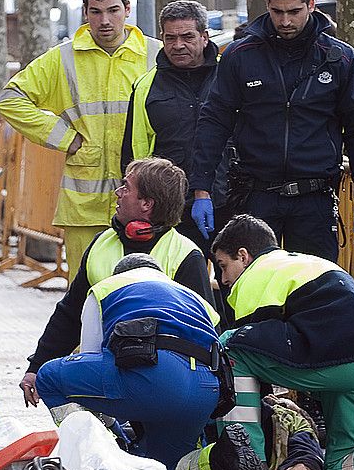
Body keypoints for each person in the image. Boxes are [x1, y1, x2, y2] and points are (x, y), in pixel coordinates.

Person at [183, 214, 354, 470]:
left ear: (244, 256)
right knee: (339, 465)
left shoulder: (257, 275)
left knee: (231, 346)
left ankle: (247, 460)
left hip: (330, 354)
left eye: (223, 266)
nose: (223, 279)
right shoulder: (311, 262)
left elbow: (252, 352)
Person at [189, 0, 354, 263]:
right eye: (277, 12)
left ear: (311, 5)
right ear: (267, 5)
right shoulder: (239, 56)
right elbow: (214, 122)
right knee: (252, 292)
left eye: (294, 11)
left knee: (314, 294)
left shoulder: (339, 59)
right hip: (256, 195)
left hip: (314, 196)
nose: (285, 21)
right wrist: (201, 189)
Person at [34, 254, 257, 470]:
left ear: (120, 273)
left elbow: (91, 359)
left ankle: (102, 456)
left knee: (49, 377)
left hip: (154, 376)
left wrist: (113, 426)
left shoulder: (106, 288)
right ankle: (220, 460)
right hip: (205, 388)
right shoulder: (194, 298)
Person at [0, 0, 161, 272]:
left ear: (127, 9)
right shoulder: (64, 58)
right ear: (85, 12)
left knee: (141, 293)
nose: (105, 21)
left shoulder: (154, 55)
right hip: (84, 212)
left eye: (113, 10)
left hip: (144, 202)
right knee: (83, 297)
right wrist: (65, 138)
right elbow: (10, 100)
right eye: (96, 12)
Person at [19, 157, 212, 408]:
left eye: (126, 187)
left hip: (161, 378)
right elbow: (70, 313)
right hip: (108, 370)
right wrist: (36, 366)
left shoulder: (185, 255)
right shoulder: (101, 244)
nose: (118, 193)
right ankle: (95, 438)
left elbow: (205, 332)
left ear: (146, 204)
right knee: (49, 377)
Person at [121, 0, 221, 253]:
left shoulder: (230, 76)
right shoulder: (146, 86)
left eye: (187, 37)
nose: (178, 46)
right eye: (170, 38)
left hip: (227, 200)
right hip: (169, 209)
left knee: (233, 284)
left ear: (205, 36)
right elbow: (134, 152)